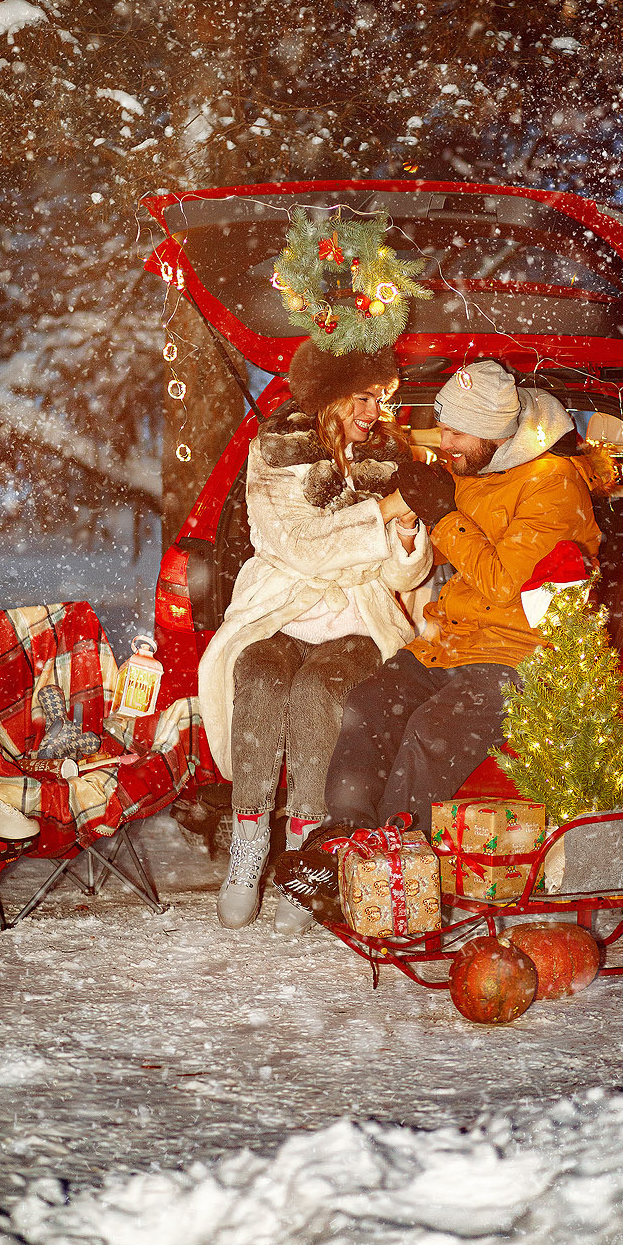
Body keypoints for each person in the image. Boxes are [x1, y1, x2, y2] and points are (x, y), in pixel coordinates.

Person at [277, 359, 603, 908]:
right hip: (450, 643)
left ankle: (393, 865)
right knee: (370, 702)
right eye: (443, 426)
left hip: (522, 657)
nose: (444, 441)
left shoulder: (553, 488)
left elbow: (503, 583)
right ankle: (346, 845)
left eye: (455, 432)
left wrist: (444, 515)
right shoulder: (476, 463)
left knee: (432, 731)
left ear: (496, 431)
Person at [197, 338, 432, 934]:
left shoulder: (387, 454)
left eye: (381, 398)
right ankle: (249, 844)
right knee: (256, 672)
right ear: (330, 396)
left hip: (356, 617)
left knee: (320, 689)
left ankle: (307, 855)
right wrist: (379, 518)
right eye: (363, 397)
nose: (374, 411)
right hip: (280, 606)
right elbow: (294, 543)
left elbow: (404, 572)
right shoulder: (278, 450)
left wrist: (406, 541)